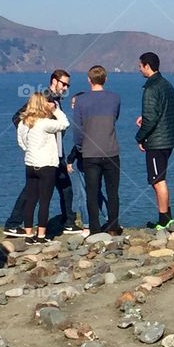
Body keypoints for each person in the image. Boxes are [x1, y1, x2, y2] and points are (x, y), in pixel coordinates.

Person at [4, 70, 78, 236]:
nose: (66, 87)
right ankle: (15, 223)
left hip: (54, 151)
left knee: (63, 187)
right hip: (46, 155)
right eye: (63, 83)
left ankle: (68, 221)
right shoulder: (45, 97)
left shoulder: (55, 99)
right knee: (43, 191)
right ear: (54, 81)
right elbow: (18, 117)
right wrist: (35, 137)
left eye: (68, 85)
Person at [73, 65, 122, 234]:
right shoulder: (115, 98)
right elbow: (115, 117)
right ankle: (113, 227)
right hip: (111, 151)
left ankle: (94, 229)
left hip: (90, 153)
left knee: (92, 192)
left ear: (89, 80)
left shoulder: (80, 101)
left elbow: (78, 130)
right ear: (105, 79)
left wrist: (81, 147)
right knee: (112, 192)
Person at [17, 92, 69, 244]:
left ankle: (28, 234)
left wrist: (30, 150)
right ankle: (41, 235)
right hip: (46, 165)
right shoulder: (44, 122)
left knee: (31, 199)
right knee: (44, 201)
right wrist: (55, 111)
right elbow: (65, 123)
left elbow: (21, 142)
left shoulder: (23, 122)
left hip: (30, 164)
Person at [136, 52, 174, 229]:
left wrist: (140, 137)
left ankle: (163, 219)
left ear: (147, 66)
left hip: (157, 141)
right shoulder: (167, 85)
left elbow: (152, 118)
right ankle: (167, 216)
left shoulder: (150, 88)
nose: (139, 69)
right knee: (160, 178)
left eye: (140, 66)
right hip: (168, 138)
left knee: (157, 180)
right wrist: (144, 117)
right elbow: (166, 111)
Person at [66, 92, 106, 231]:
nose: (72, 106)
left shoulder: (81, 121)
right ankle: (109, 219)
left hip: (83, 161)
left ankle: (87, 224)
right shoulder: (95, 120)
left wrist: (70, 160)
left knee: (82, 195)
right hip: (97, 158)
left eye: (74, 103)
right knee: (97, 192)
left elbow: (79, 144)